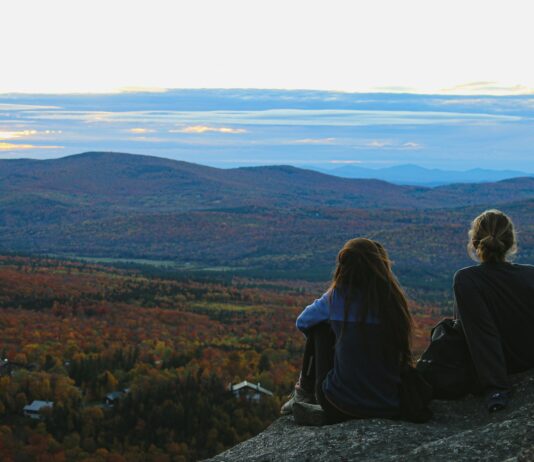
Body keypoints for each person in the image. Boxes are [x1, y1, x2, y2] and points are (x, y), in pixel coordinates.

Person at [281, 238, 414, 425]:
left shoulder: (338, 297)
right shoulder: (393, 302)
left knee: (319, 327)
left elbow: (303, 322)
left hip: (339, 403)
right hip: (388, 403)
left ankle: (303, 393)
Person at [453, 209, 534, 412]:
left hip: (495, 372)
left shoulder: (467, 280)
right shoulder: (530, 275)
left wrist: (496, 389)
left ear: (475, 243)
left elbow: (482, 334)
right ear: (510, 243)